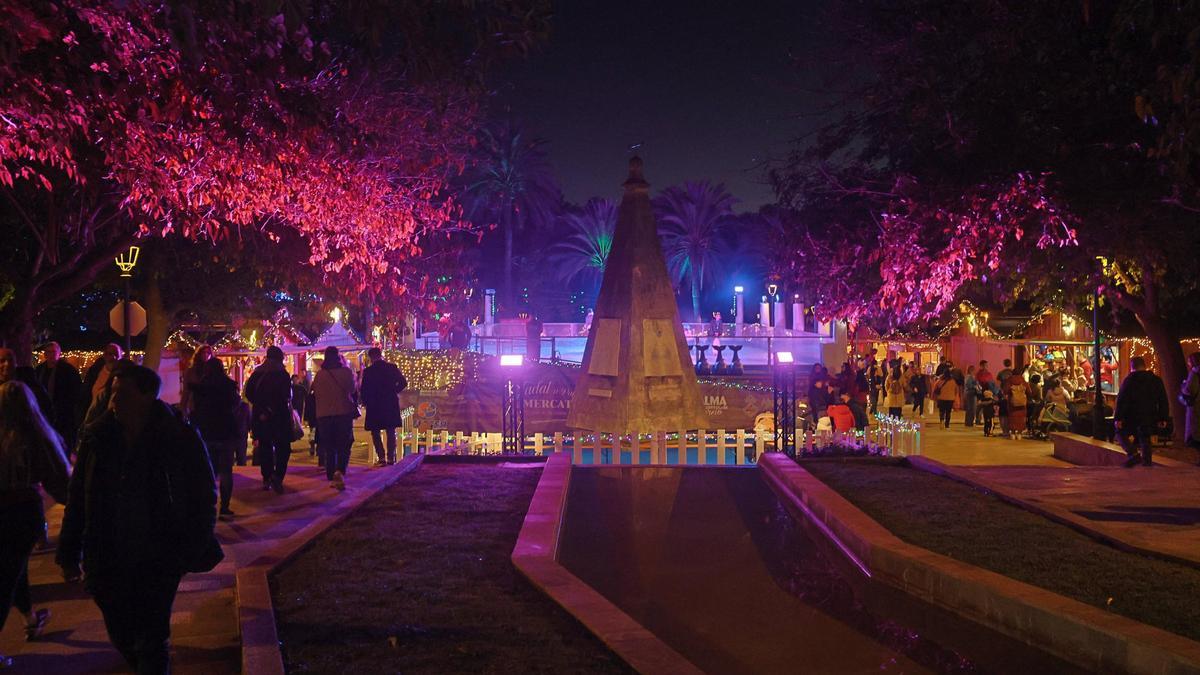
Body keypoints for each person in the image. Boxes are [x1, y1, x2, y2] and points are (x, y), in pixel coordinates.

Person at [57, 364, 218, 675]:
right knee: (121, 632)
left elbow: (203, 493)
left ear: (147, 395)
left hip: (159, 553)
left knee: (152, 637)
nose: (114, 401)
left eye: (122, 394)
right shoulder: (97, 439)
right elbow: (78, 498)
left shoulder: (178, 436)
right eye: (112, 394)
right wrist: (68, 552)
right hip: (107, 554)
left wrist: (192, 544)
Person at [0, 381, 71, 669]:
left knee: (12, 571)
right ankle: (28, 618)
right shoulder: (33, 436)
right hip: (19, 512)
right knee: (7, 576)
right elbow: (57, 477)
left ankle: (30, 618)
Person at [189, 358, 240, 519]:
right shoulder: (229, 385)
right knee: (226, 471)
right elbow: (235, 405)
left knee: (209, 470)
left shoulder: (201, 387)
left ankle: (209, 504)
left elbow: (195, 409)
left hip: (207, 432)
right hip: (226, 431)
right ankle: (224, 506)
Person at [243, 346, 293, 494]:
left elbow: (249, 393)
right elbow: (286, 396)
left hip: (261, 416)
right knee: (283, 447)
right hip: (279, 416)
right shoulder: (282, 374)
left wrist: (262, 407)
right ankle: (278, 476)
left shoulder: (257, 373)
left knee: (265, 446)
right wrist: (273, 408)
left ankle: (267, 476)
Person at [311, 346, 358, 491]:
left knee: (329, 446)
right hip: (343, 412)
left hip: (324, 414)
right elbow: (352, 389)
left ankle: (331, 475)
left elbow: (314, 393)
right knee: (344, 443)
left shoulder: (320, 375)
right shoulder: (346, 372)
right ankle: (340, 470)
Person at [1115, 356, 1170, 467]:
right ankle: (1147, 463)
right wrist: (1163, 417)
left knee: (1120, 433)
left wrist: (1118, 417)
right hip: (1150, 414)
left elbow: (1122, 400)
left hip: (1132, 415)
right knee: (1145, 438)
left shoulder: (1129, 381)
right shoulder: (1155, 380)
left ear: (1132, 366)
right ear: (1144, 365)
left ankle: (1133, 453)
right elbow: (1163, 399)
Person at [359, 347, 407, 466]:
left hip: (374, 404)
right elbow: (403, 382)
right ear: (381, 355)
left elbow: (364, 389)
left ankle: (381, 457)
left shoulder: (368, 371)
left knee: (375, 432)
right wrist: (394, 391)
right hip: (389, 403)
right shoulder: (391, 368)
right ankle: (391, 457)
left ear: (370, 358)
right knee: (390, 431)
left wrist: (365, 401)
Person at [33, 342, 83, 453]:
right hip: (44, 413)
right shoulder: (39, 370)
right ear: (45, 354)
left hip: (63, 414)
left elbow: (76, 391)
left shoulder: (68, 371)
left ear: (58, 353)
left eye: (53, 352)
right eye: (48, 352)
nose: (51, 355)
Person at [80, 343, 125, 427]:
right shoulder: (96, 371)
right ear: (104, 355)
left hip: (111, 419)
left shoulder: (122, 375)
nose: (112, 357)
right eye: (109, 354)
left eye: (115, 354)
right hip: (93, 416)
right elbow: (86, 392)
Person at [178, 345, 213, 419]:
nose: (206, 355)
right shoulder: (191, 371)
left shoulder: (213, 371)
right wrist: (183, 408)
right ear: (199, 354)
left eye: (208, 353)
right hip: (195, 405)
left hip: (210, 406)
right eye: (203, 352)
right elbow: (186, 391)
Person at [1004, 366, 1033, 439]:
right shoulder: (1023, 381)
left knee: (1012, 417)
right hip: (1022, 403)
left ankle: (1013, 433)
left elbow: (1005, 391)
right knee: (1021, 417)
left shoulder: (1009, 381)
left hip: (1012, 403)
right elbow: (1029, 392)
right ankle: (1019, 433)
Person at [1182, 352, 1200, 453]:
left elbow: (1191, 390)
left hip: (1196, 406)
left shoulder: (1194, 373)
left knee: (1194, 436)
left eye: (1189, 361)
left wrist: (1184, 386)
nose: (1188, 363)